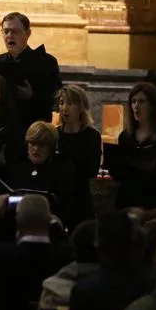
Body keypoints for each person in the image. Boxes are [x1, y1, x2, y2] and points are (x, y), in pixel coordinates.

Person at [105, 82, 156, 211]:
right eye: (133, 102)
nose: (136, 106)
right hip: (129, 199)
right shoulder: (125, 136)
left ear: (153, 106)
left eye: (141, 102)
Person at [0, 12, 62, 131]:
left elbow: (56, 100)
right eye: (5, 31)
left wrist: (31, 96)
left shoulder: (47, 62)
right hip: (2, 130)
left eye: (15, 31)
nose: (9, 35)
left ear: (28, 33)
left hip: (34, 130)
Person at [55, 85, 101, 229]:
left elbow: (91, 170)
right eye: (62, 103)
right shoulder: (55, 134)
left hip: (80, 197)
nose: (64, 108)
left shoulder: (91, 136)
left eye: (70, 103)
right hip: (58, 197)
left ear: (81, 107)